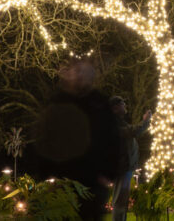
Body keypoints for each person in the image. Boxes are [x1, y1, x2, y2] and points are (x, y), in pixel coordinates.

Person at [33, 59, 120, 220]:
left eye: (84, 72)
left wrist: (108, 173)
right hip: (62, 179)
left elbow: (112, 140)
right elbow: (44, 138)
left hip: (92, 182)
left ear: (91, 77)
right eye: (77, 71)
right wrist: (45, 174)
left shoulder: (100, 103)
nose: (80, 76)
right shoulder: (58, 101)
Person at [110, 96, 152, 221]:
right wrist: (145, 121)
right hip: (122, 168)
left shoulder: (119, 122)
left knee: (122, 201)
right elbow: (133, 131)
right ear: (116, 107)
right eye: (123, 104)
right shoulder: (113, 123)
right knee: (120, 201)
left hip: (126, 167)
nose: (125, 106)